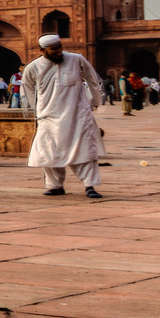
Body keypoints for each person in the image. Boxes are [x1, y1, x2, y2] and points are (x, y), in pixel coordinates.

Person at [22, 34, 106, 198]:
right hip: (49, 116)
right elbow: (27, 89)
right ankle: (55, 186)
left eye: (60, 48)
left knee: (84, 150)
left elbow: (92, 78)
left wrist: (94, 101)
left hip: (78, 114)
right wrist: (36, 111)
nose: (59, 52)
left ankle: (90, 185)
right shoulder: (33, 67)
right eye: (54, 50)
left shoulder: (76, 59)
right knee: (49, 153)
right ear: (42, 50)